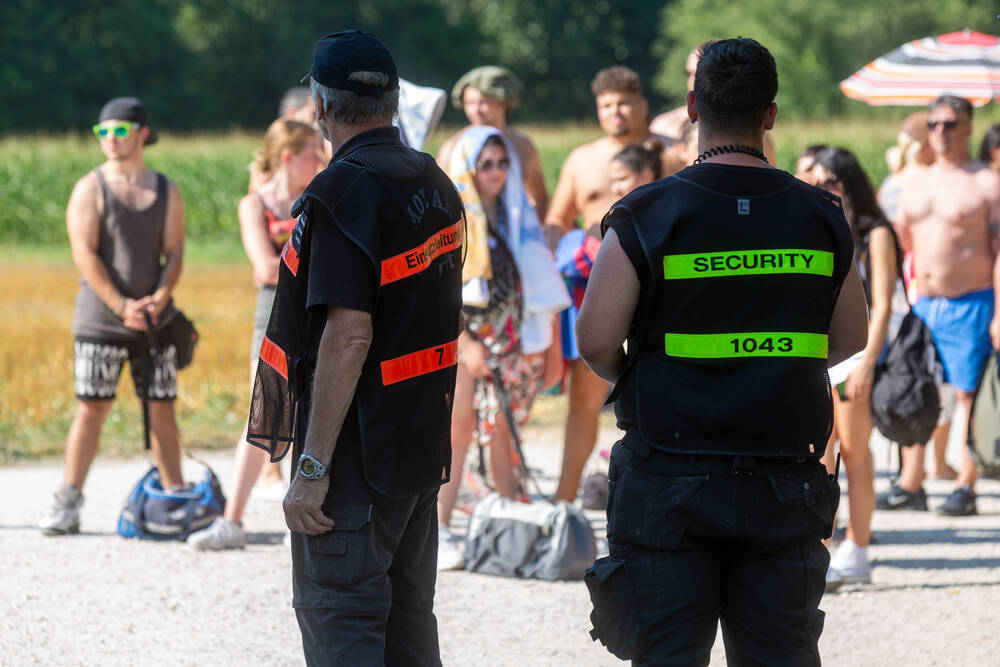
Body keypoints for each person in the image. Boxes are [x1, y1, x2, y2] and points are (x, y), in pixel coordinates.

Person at [578, 38, 868, 664]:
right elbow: (850, 337)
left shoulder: (646, 213)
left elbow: (595, 338)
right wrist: (771, 364)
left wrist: (642, 374)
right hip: (783, 482)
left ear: (691, 106)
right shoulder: (821, 215)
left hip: (666, 483)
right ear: (770, 114)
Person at [245, 31, 464, 663]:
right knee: (408, 632)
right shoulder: (435, 181)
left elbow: (348, 334)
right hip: (418, 455)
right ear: (393, 102)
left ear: (318, 105)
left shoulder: (341, 193)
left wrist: (310, 471)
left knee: (344, 624)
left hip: (357, 467)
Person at [40, 97, 187, 535]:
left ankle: (174, 499)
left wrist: (160, 298)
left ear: (143, 133)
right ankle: (68, 501)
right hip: (100, 319)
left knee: (161, 408)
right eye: (102, 132)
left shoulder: (166, 190)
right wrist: (121, 305)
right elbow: (83, 253)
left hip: (155, 320)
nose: (110, 140)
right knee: (91, 409)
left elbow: (175, 250)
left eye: (119, 131)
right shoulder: (90, 187)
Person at [546, 66, 680, 504]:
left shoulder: (670, 155)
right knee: (584, 397)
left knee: (661, 387)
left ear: (641, 106)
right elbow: (556, 219)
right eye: (606, 104)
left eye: (623, 102)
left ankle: (666, 491)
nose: (615, 111)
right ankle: (564, 503)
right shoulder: (582, 159)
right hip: (594, 280)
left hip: (659, 282)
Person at [436, 128, 569, 570]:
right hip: (466, 341)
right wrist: (464, 341)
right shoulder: (451, 220)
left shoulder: (516, 218)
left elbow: (536, 284)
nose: (494, 173)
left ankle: (507, 528)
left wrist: (547, 348)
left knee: (504, 435)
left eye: (502, 163)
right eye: (485, 164)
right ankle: (438, 530)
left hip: (511, 344)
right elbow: (438, 290)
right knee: (455, 434)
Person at [188, 118, 323, 550]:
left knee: (312, 411)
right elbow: (263, 267)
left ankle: (300, 513)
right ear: (289, 158)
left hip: (314, 311)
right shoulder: (255, 204)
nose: (320, 161)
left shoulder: (319, 196)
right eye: (312, 154)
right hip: (274, 315)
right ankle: (233, 520)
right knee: (263, 413)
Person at [881, 95, 1000, 516]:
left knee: (967, 395)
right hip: (923, 302)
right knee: (915, 389)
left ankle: (965, 486)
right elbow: (902, 241)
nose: (941, 132)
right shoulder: (916, 181)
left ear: (968, 125)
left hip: (972, 302)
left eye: (949, 123)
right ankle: (912, 482)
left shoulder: (986, 181)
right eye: (934, 124)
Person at [809, 147, 900, 589]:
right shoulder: (814, 223)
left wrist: (866, 362)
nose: (813, 185)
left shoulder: (875, 231)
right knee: (819, 454)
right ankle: (821, 548)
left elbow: (882, 304)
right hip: (816, 353)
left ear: (842, 182)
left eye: (823, 178)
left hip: (854, 355)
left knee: (855, 451)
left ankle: (858, 548)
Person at [878, 112, 956, 480]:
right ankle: (929, 466)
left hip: (899, 293)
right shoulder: (925, 183)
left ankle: (916, 470)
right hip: (921, 290)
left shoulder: (891, 184)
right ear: (924, 144)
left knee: (909, 375)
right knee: (934, 380)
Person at [436, 66, 549, 220]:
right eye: (470, 103)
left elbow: (540, 196)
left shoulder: (523, 147)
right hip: (468, 238)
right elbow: (438, 202)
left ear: (503, 103)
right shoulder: (454, 148)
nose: (476, 109)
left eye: (483, 102)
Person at [651, 42, 777, 165]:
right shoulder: (663, 124)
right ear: (771, 115)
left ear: (692, 107)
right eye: (688, 74)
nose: (692, 80)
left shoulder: (661, 187)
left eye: (698, 73)